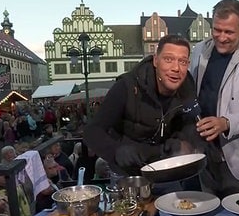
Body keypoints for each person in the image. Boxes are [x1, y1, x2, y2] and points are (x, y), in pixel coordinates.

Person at [189, 0, 239, 197]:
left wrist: (226, 123)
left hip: (238, 160)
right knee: (206, 214)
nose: (221, 37)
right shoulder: (199, 50)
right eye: (217, 30)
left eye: (229, 32)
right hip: (203, 154)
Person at [84, 34, 198, 176]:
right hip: (128, 173)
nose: (176, 68)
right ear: (156, 60)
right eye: (168, 59)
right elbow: (92, 131)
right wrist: (116, 151)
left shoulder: (187, 86)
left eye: (182, 61)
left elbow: (188, 122)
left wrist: (180, 140)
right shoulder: (127, 86)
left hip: (165, 168)